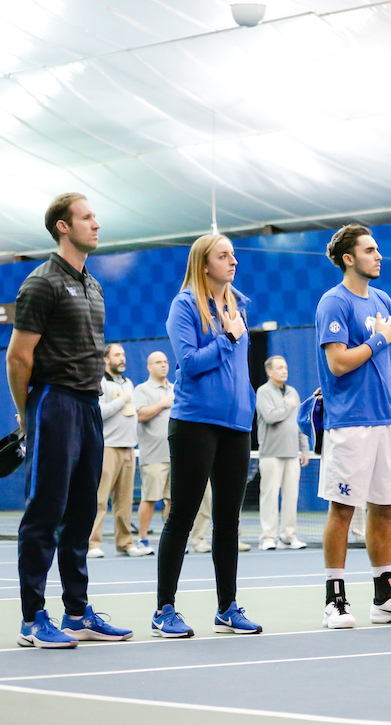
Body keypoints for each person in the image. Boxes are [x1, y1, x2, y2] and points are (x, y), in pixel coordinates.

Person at [7, 193, 132, 647]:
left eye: (95, 216)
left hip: (88, 405)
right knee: (45, 512)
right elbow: (19, 357)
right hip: (53, 403)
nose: (96, 224)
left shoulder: (93, 285)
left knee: (81, 513)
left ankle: (77, 613)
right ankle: (32, 618)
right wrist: (28, 415)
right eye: (86, 217)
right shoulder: (41, 283)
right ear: (63, 227)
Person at [316, 225, 391, 628]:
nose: (378, 256)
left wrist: (379, 340)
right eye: (370, 250)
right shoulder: (333, 303)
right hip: (349, 424)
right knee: (343, 510)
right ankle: (335, 600)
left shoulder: (382, 299)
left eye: (377, 249)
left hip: (386, 420)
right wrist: (379, 340)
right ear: (349, 259)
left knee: (384, 509)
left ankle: (385, 598)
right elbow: (338, 363)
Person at [153, 233, 262, 638]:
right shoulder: (183, 306)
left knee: (228, 521)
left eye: (234, 254)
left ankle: (227, 607)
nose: (233, 261)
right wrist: (228, 337)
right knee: (182, 515)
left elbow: (239, 367)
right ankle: (164, 609)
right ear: (203, 264)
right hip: (195, 423)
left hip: (236, 427)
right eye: (223, 255)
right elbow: (191, 364)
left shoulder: (237, 305)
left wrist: (247, 403)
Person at [89, 344, 146, 558]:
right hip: (107, 449)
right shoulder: (100, 382)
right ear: (106, 360)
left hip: (129, 448)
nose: (122, 359)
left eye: (123, 355)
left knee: (124, 502)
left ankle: (125, 542)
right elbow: (98, 412)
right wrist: (122, 400)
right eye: (117, 355)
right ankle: (92, 543)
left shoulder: (128, 383)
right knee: (100, 500)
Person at [256, 356, 310, 551]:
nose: (284, 371)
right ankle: (268, 537)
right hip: (271, 454)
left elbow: (299, 421)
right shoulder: (263, 392)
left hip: (292, 453)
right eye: (279, 368)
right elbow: (270, 417)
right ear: (269, 372)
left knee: (291, 496)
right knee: (269, 496)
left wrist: (304, 448)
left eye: (285, 367)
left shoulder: (292, 392)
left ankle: (288, 536)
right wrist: (288, 405)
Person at [133, 351, 174, 553]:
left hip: (175, 455)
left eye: (165, 362)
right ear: (149, 367)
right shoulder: (142, 390)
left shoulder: (176, 390)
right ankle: (142, 539)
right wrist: (162, 404)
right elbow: (139, 415)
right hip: (153, 456)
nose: (163, 365)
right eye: (158, 362)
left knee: (173, 501)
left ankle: (171, 539)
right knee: (149, 498)